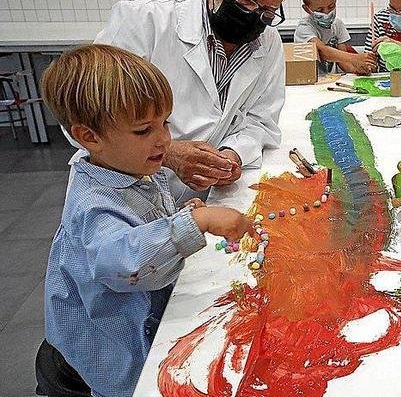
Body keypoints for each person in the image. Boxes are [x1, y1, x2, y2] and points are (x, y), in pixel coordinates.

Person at [38, 45, 252, 397]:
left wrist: (179, 217)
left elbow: (146, 223)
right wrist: (194, 223)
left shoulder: (130, 167)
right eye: (143, 130)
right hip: (108, 355)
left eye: (164, 123)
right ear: (89, 137)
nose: (164, 139)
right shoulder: (93, 205)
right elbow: (127, 264)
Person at [90, 0, 293, 204]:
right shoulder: (142, 24)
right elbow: (87, 118)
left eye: (268, 13)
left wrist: (233, 155)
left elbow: (261, 121)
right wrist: (168, 152)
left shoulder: (267, 43)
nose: (254, 17)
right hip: (126, 202)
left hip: (198, 204)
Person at [294, 0, 377, 74]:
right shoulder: (304, 28)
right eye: (319, 10)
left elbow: (342, 61)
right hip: (310, 81)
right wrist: (355, 58)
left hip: (331, 81)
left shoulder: (337, 24)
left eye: (331, 6)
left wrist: (357, 69)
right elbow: (322, 51)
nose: (327, 13)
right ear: (307, 9)